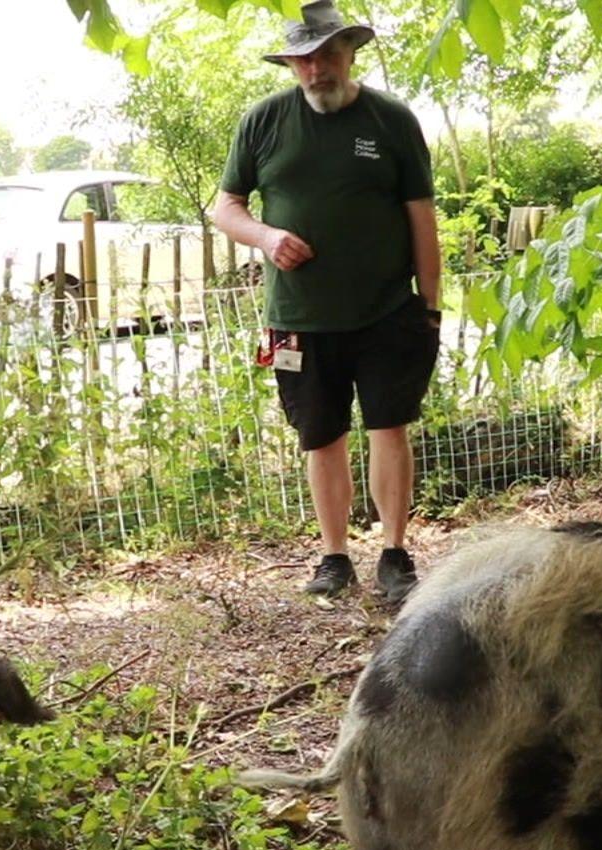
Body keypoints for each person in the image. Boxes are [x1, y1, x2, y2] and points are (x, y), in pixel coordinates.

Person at [210, 0, 441, 605]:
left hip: (388, 309)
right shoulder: (262, 122)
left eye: (328, 56)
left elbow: (422, 217)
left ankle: (394, 553)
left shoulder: (391, 119)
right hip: (299, 319)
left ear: (350, 54)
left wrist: (430, 305)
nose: (317, 70)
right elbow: (225, 207)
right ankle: (334, 557)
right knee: (321, 436)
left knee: (389, 428)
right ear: (291, 65)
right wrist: (266, 236)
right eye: (304, 60)